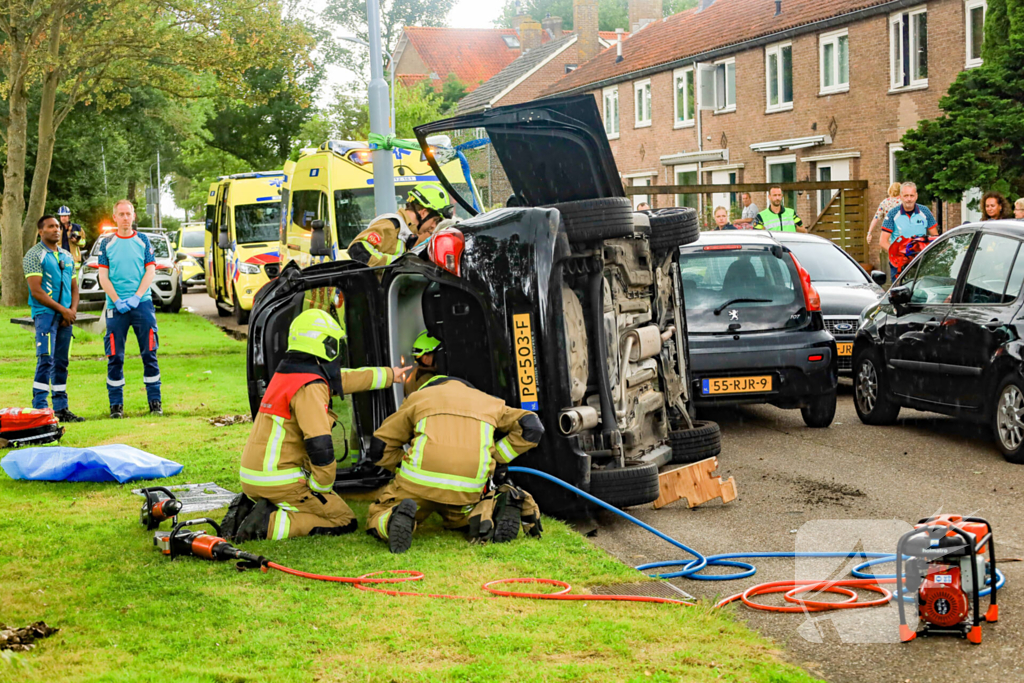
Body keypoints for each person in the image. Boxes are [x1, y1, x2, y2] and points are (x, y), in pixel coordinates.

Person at [226, 309, 411, 542]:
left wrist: (389, 375)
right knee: (342, 519)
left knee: (316, 505)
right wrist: (320, 486)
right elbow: (320, 445)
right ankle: (267, 523)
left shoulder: (287, 374)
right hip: (279, 480)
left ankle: (249, 507)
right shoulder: (310, 386)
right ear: (324, 344)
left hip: (254, 476)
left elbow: (342, 378)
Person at [366, 375, 544, 553]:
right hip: (467, 487)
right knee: (462, 517)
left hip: (418, 484)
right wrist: (496, 457)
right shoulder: (491, 402)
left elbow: (379, 447)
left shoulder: (419, 397)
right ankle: (489, 512)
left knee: (380, 512)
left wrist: (404, 463)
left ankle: (390, 520)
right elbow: (532, 427)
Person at [97, 200, 162, 418]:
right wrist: (116, 299)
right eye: (121, 214)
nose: (125, 218)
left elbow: (150, 271)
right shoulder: (106, 244)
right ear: (114, 217)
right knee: (115, 354)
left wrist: (136, 297)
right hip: (116, 307)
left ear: (134, 216)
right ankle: (116, 406)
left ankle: (155, 402)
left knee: (149, 353)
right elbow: (103, 276)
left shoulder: (143, 241)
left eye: (128, 214)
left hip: (141, 304)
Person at [22, 215, 84, 423]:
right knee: (45, 360)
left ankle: (61, 408)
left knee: (61, 362)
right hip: (45, 316)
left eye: (58, 226)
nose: (56, 230)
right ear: (41, 231)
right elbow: (36, 291)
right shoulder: (34, 255)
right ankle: (40, 409)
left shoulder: (67, 256)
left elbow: (75, 288)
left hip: (66, 317)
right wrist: (62, 310)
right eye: (50, 227)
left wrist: (71, 311)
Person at [348, 182, 454, 267]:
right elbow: (357, 248)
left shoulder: (406, 231)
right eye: (435, 220)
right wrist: (396, 264)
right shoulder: (391, 225)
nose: (433, 226)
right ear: (424, 212)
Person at [880, 182, 939, 280]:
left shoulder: (925, 211)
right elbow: (883, 241)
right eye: (906, 195)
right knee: (899, 293)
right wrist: (899, 253)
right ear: (901, 197)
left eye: (911, 195)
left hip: (920, 261)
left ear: (916, 196)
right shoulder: (892, 214)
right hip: (899, 263)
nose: (909, 199)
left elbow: (935, 237)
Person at [866, 182, 903, 269]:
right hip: (902, 235)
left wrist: (869, 232)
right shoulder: (903, 202)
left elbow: (876, 218)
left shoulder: (884, 202)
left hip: (889, 236)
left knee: (893, 259)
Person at [405, 330, 441, 395]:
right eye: (438, 354)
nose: (441, 357)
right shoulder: (429, 382)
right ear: (425, 359)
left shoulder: (416, 375)